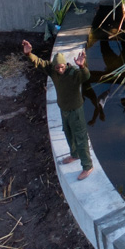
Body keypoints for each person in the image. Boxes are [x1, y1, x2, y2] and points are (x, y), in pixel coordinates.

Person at [21, 37, 92, 176]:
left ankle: (87, 166)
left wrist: (82, 66)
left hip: (75, 111)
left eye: (62, 67)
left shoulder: (73, 74)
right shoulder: (52, 70)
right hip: (64, 110)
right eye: (58, 67)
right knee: (68, 133)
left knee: (80, 137)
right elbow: (39, 63)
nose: (60, 69)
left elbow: (86, 77)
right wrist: (29, 54)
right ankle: (74, 154)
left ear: (65, 65)